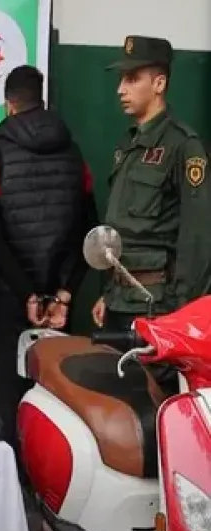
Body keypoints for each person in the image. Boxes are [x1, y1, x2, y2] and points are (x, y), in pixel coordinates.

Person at [0, 65, 98, 455]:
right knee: (54, 405)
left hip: (9, 298)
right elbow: (90, 231)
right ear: (41, 100)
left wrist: (26, 294)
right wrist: (64, 294)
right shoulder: (75, 154)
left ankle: (13, 484)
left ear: (9, 105)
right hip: (59, 302)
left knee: (7, 400)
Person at [94, 36, 211, 332]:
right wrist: (108, 293)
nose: (121, 89)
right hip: (119, 300)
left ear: (159, 84)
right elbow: (120, 227)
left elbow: (198, 237)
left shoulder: (183, 146)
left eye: (132, 79)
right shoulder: (127, 145)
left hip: (157, 306)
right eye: (121, 79)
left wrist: (183, 312)